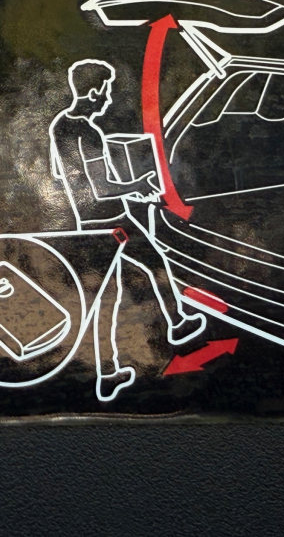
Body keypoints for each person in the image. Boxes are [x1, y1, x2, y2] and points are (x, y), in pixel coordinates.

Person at [49, 59, 205, 401]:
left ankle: (172, 326)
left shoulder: (60, 126)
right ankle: (118, 364)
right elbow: (101, 189)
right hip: (110, 222)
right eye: (106, 91)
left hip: (92, 222)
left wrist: (130, 189)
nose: (108, 99)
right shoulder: (87, 132)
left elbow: (63, 178)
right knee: (124, 286)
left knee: (138, 275)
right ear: (93, 92)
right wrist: (140, 184)